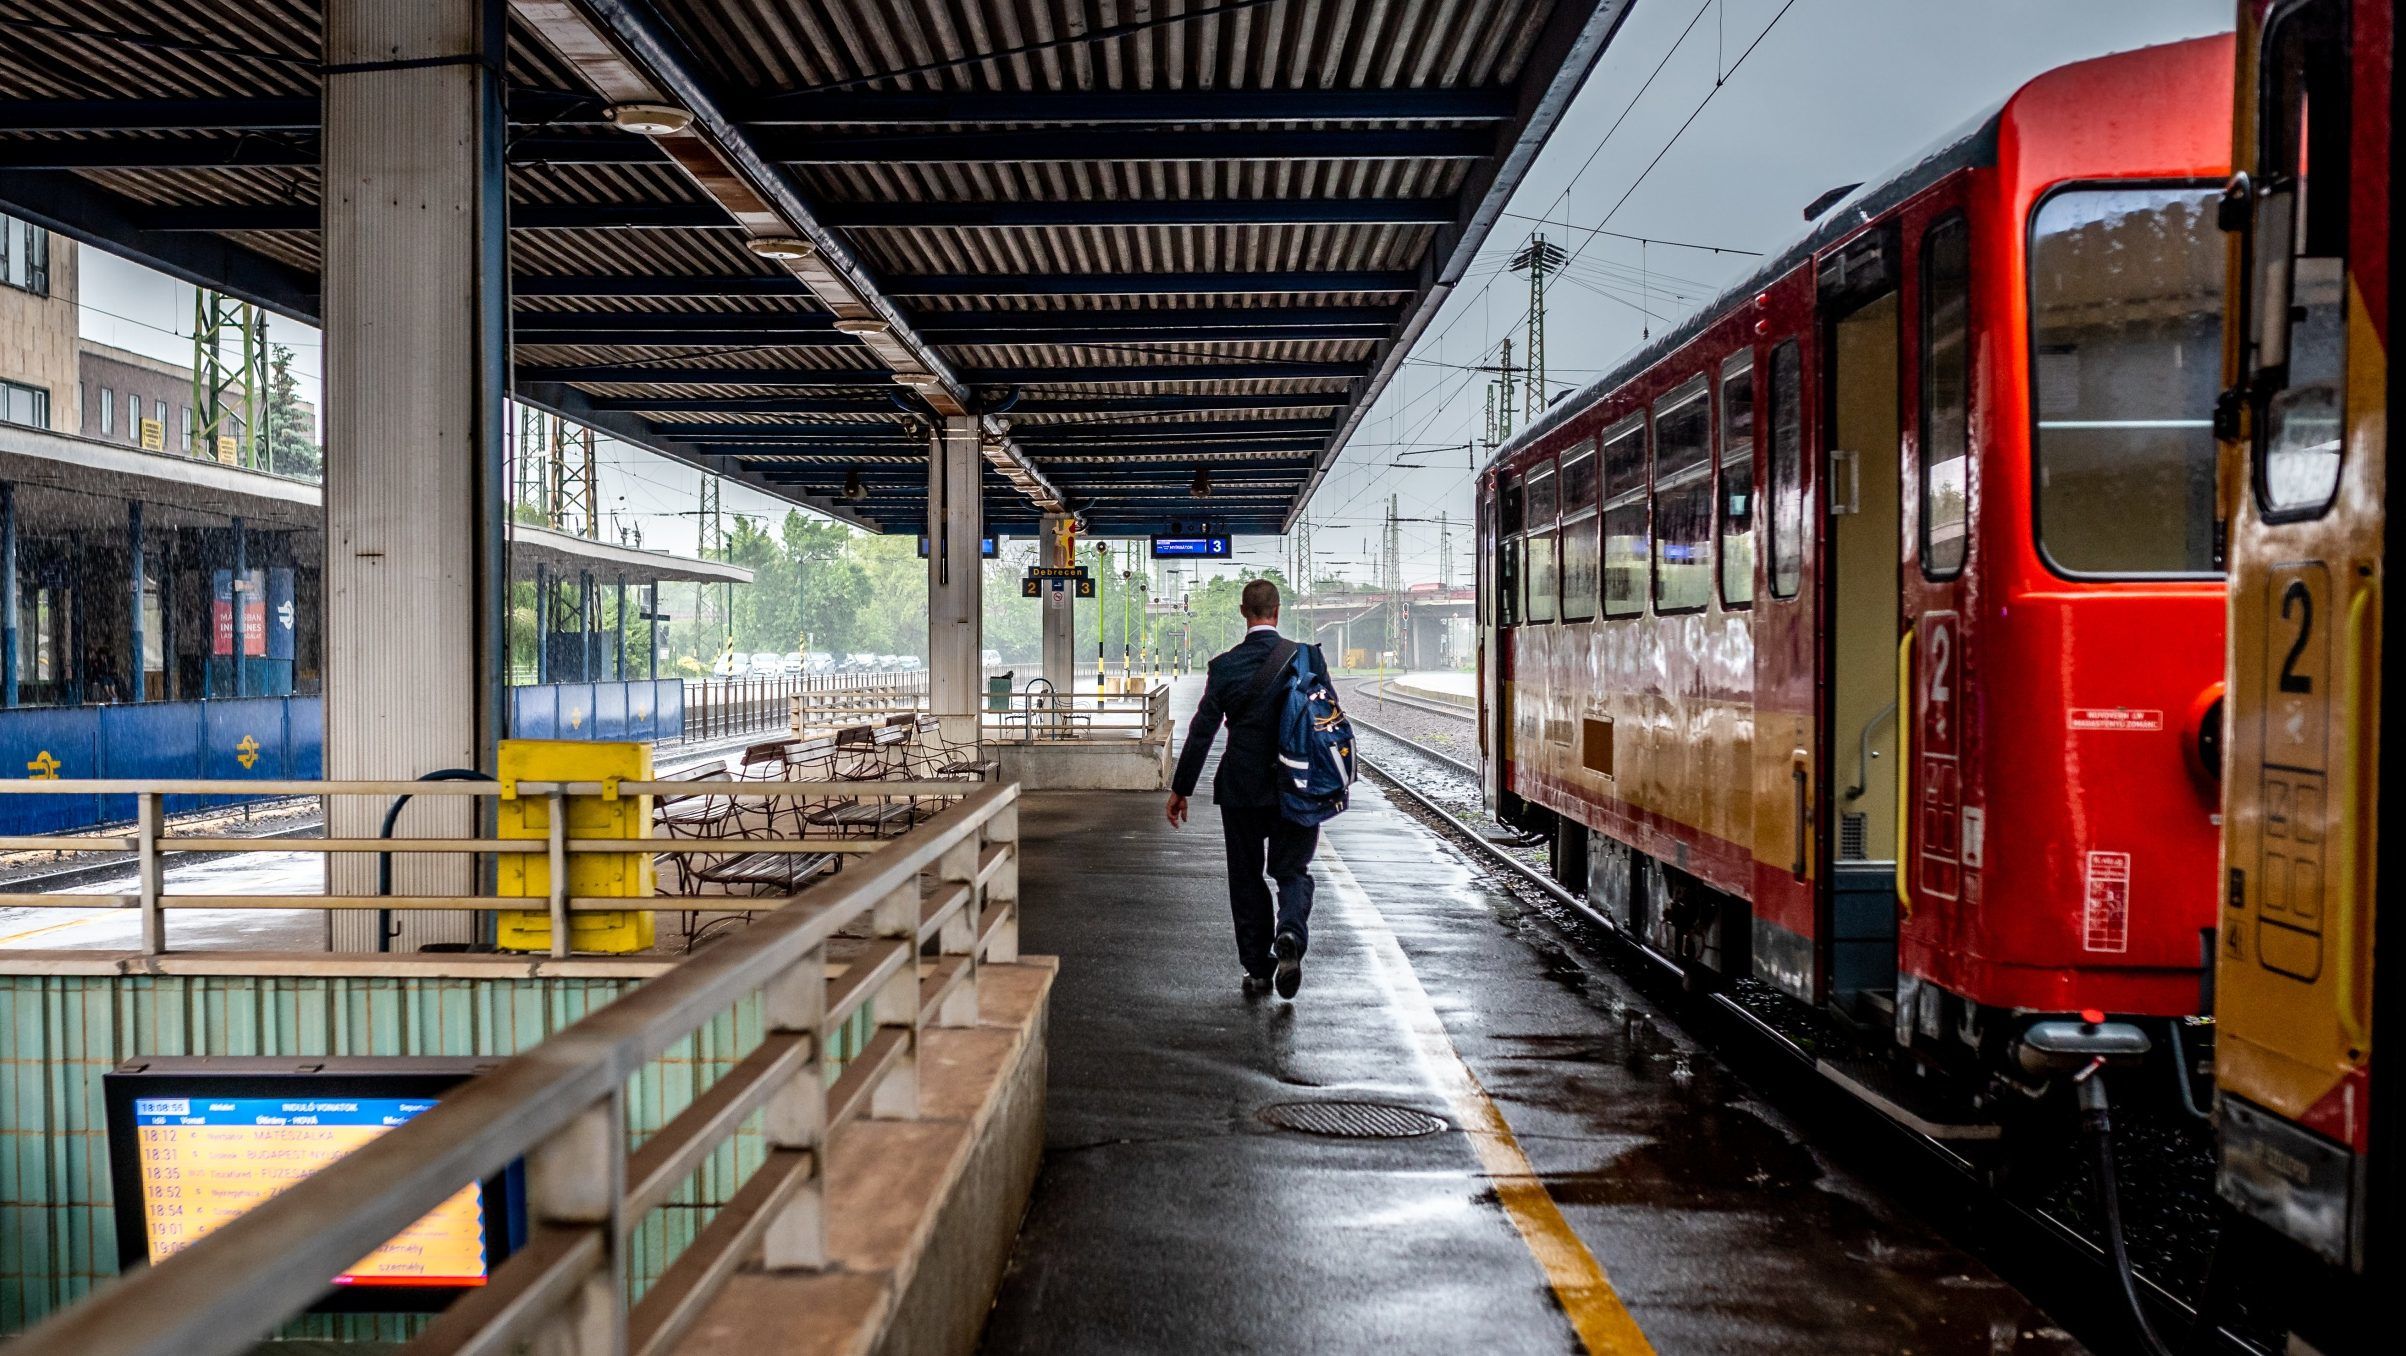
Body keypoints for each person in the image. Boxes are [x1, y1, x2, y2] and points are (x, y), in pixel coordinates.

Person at [1165, 579, 1332, 1000]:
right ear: (1277, 611)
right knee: (1291, 870)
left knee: (1246, 877)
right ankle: (1290, 932)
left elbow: (1202, 730)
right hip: (1297, 786)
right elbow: (1325, 721)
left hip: (1241, 787)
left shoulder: (1225, 666)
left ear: (1244, 612)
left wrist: (1180, 788)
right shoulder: (1306, 658)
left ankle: (1258, 968)